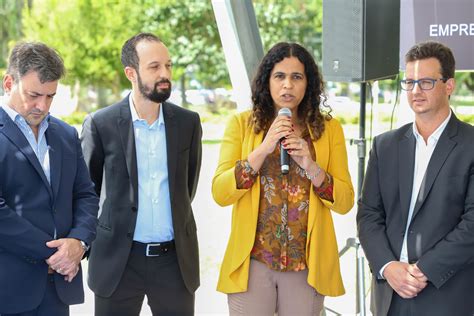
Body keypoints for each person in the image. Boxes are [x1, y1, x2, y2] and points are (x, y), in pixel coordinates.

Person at [212, 42, 354, 315]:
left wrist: (310, 165)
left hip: (306, 266)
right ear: (267, 81)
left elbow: (345, 201)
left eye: (296, 77)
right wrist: (263, 149)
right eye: (279, 76)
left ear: (308, 84)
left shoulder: (328, 130)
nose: (287, 85)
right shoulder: (242, 125)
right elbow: (220, 192)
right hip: (253, 264)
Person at [81, 32, 202, 315]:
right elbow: (87, 193)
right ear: (131, 73)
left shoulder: (188, 123)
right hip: (118, 264)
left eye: (168, 66)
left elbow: (187, 188)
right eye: (154, 67)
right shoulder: (101, 124)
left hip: (175, 264)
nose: (165, 74)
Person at [357, 41, 474, 316]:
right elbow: (369, 214)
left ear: (449, 85)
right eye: (409, 82)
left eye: (426, 82)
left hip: (447, 292)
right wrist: (388, 266)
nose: (415, 91)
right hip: (390, 295)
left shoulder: (470, 144)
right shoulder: (384, 146)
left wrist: (423, 270)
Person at [0, 42, 99, 316]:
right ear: (9, 83)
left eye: (50, 96)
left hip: (57, 290)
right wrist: (57, 254)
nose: (41, 105)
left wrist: (78, 243)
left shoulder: (66, 135)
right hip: (7, 290)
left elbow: (85, 195)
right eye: (33, 95)